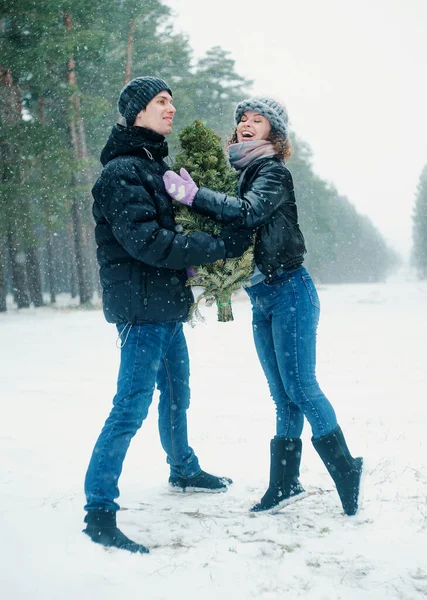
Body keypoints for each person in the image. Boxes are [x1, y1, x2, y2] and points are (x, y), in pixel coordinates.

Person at [163, 96, 363, 517]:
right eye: (242, 120)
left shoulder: (272, 172)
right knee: (282, 396)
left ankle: (346, 467)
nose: (247, 125)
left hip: (291, 291)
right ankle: (286, 483)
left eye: (258, 120)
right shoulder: (243, 173)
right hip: (263, 296)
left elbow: (249, 214)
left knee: (301, 388)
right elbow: (234, 228)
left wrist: (196, 196)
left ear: (274, 133)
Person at [83, 76, 253, 554]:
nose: (170, 109)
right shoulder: (122, 171)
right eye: (160, 102)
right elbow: (146, 242)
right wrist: (216, 247)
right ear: (136, 111)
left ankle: (182, 467)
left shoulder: (152, 165)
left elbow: (169, 228)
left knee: (178, 389)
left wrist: (203, 239)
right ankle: (99, 509)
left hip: (163, 301)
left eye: (172, 102)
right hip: (141, 306)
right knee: (130, 405)